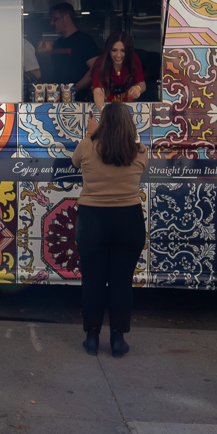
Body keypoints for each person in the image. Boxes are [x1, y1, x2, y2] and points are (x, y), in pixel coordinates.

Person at [71, 102, 148, 357]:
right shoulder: (140, 151)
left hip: (92, 220)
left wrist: (90, 134)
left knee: (93, 280)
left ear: (102, 123)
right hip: (129, 220)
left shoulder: (87, 146)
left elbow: (75, 162)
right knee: (121, 281)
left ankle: (92, 338)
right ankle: (117, 340)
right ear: (129, 125)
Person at [46, 2, 101, 93]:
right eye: (51, 19)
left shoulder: (84, 40)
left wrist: (73, 90)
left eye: (55, 19)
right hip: (57, 97)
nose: (51, 23)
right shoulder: (57, 43)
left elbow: (96, 69)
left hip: (80, 98)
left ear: (66, 17)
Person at [91, 31, 147, 105]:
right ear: (108, 50)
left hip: (128, 106)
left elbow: (142, 84)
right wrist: (103, 110)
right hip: (106, 105)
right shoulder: (101, 63)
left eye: (123, 51)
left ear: (128, 51)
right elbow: (98, 92)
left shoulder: (133, 59)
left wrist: (137, 88)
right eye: (114, 50)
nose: (118, 55)